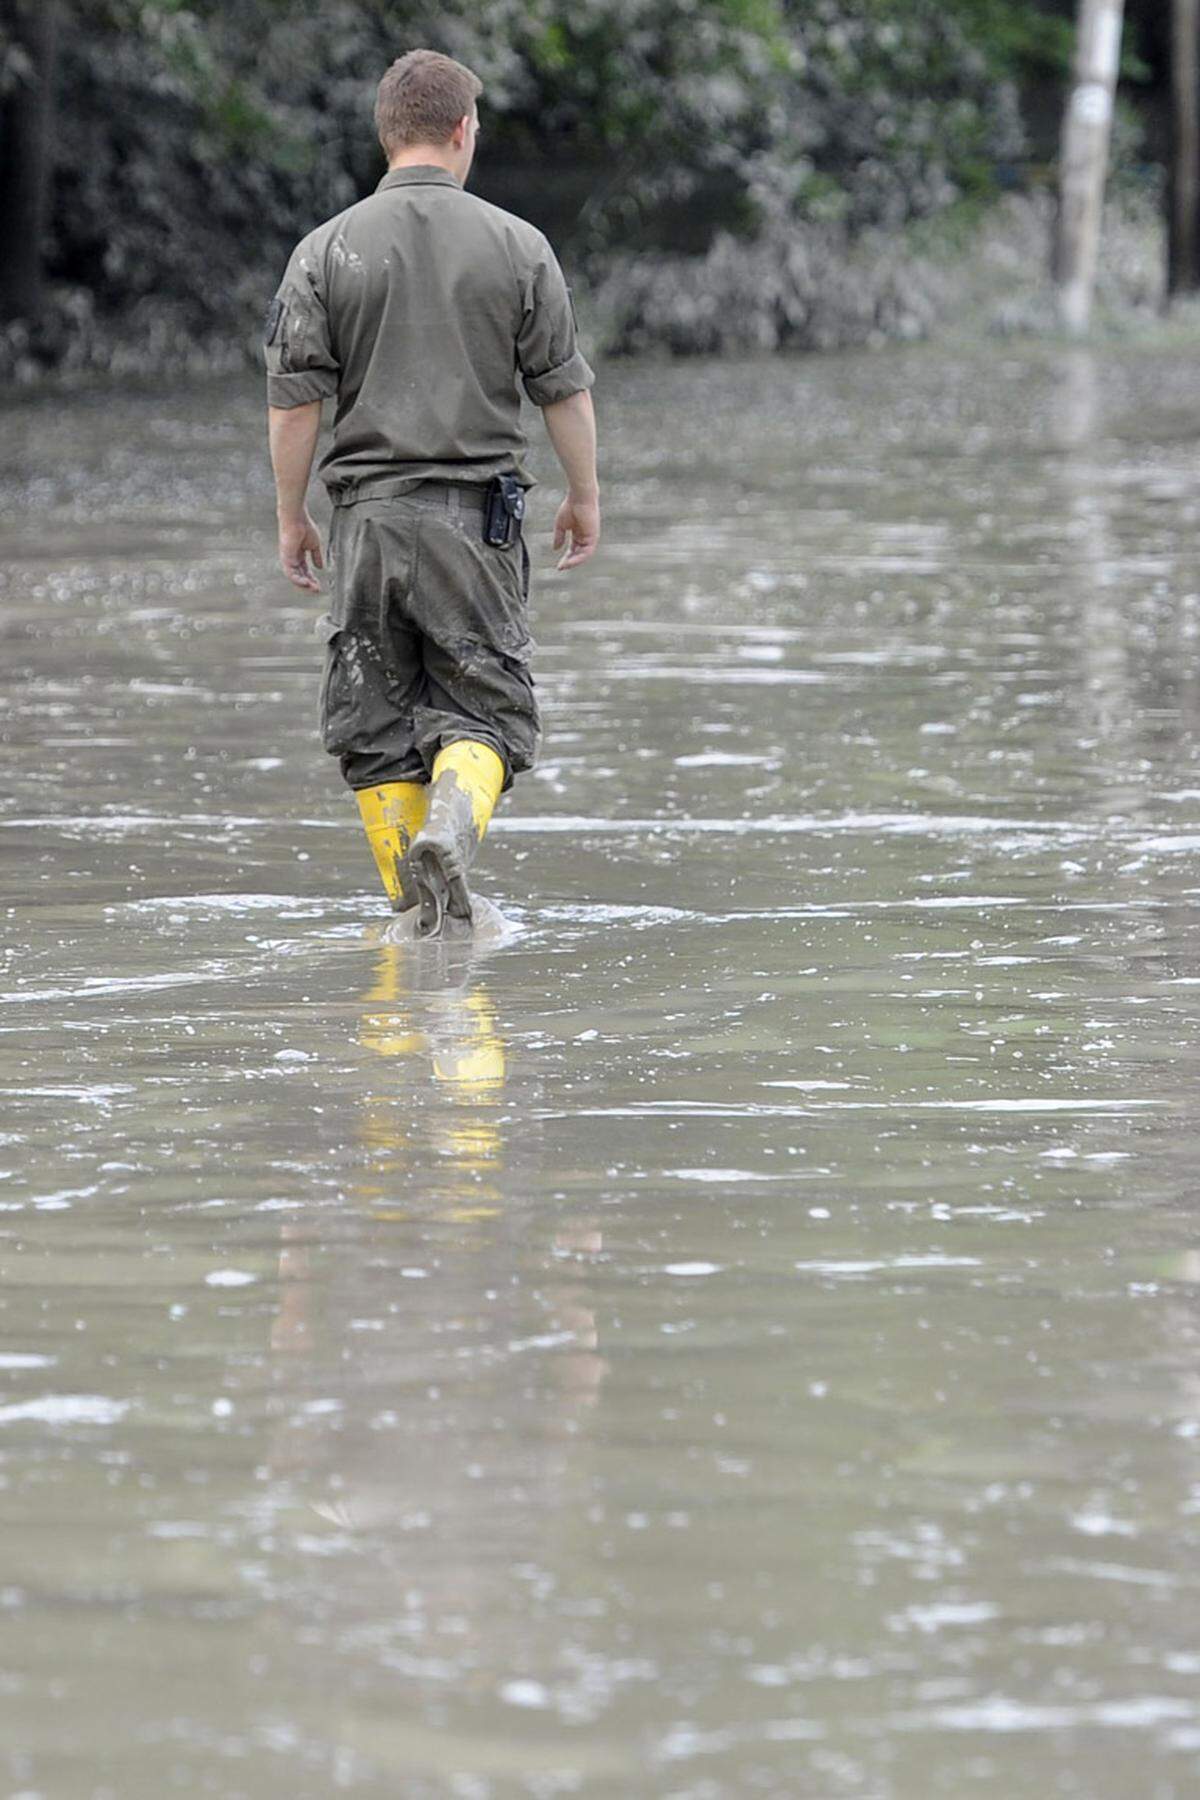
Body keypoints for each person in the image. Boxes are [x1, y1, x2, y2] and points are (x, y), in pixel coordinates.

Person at [265, 48, 599, 937]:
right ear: (462, 131)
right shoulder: (519, 246)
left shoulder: (323, 250)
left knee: (372, 729)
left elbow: (295, 405)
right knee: (487, 713)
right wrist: (584, 496)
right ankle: (452, 828)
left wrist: (292, 516)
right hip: (471, 525)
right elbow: (562, 389)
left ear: (386, 136)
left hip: (365, 525)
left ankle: (419, 928)